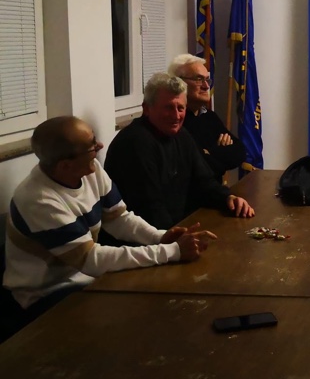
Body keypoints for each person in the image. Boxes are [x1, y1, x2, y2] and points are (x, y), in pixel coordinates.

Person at [2, 116, 215, 330]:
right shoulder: (39, 201)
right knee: (140, 319)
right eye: (91, 146)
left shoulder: (89, 169)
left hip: (85, 277)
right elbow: (91, 259)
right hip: (47, 294)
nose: (100, 146)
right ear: (66, 165)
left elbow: (119, 218)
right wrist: (172, 251)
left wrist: (159, 237)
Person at [105, 73, 254, 231]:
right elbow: (150, 209)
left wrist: (227, 198)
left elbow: (204, 181)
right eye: (168, 107)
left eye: (181, 108)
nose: (176, 116)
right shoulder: (135, 143)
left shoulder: (181, 135)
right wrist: (178, 240)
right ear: (147, 108)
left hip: (174, 229)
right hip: (142, 238)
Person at [167, 54, 246, 183]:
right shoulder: (174, 121)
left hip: (215, 191)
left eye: (207, 80)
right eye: (198, 79)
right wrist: (219, 153)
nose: (206, 86)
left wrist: (209, 153)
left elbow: (240, 151)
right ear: (178, 83)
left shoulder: (208, 116)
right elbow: (196, 170)